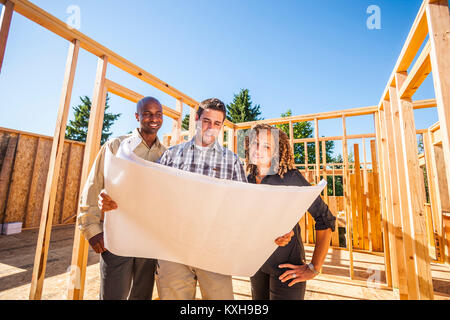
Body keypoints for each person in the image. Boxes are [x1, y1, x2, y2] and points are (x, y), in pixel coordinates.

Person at [155, 98, 247, 300]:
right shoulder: (171, 156)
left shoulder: (231, 161)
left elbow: (242, 207)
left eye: (217, 123)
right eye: (206, 121)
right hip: (173, 250)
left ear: (222, 126)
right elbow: (156, 199)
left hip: (215, 251)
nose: (211, 127)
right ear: (197, 119)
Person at [77, 96, 166, 300]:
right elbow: (93, 186)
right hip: (117, 237)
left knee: (141, 295)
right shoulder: (116, 146)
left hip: (149, 240)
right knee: (112, 296)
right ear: (137, 116)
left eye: (158, 114)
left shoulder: (166, 155)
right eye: (147, 114)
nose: (154, 118)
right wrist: (91, 229)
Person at [245, 123, 336, 300]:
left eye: (266, 146)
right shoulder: (246, 179)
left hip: (287, 267)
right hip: (256, 265)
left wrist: (314, 267)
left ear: (277, 151)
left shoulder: (290, 178)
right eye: (255, 143)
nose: (258, 150)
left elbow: (325, 219)